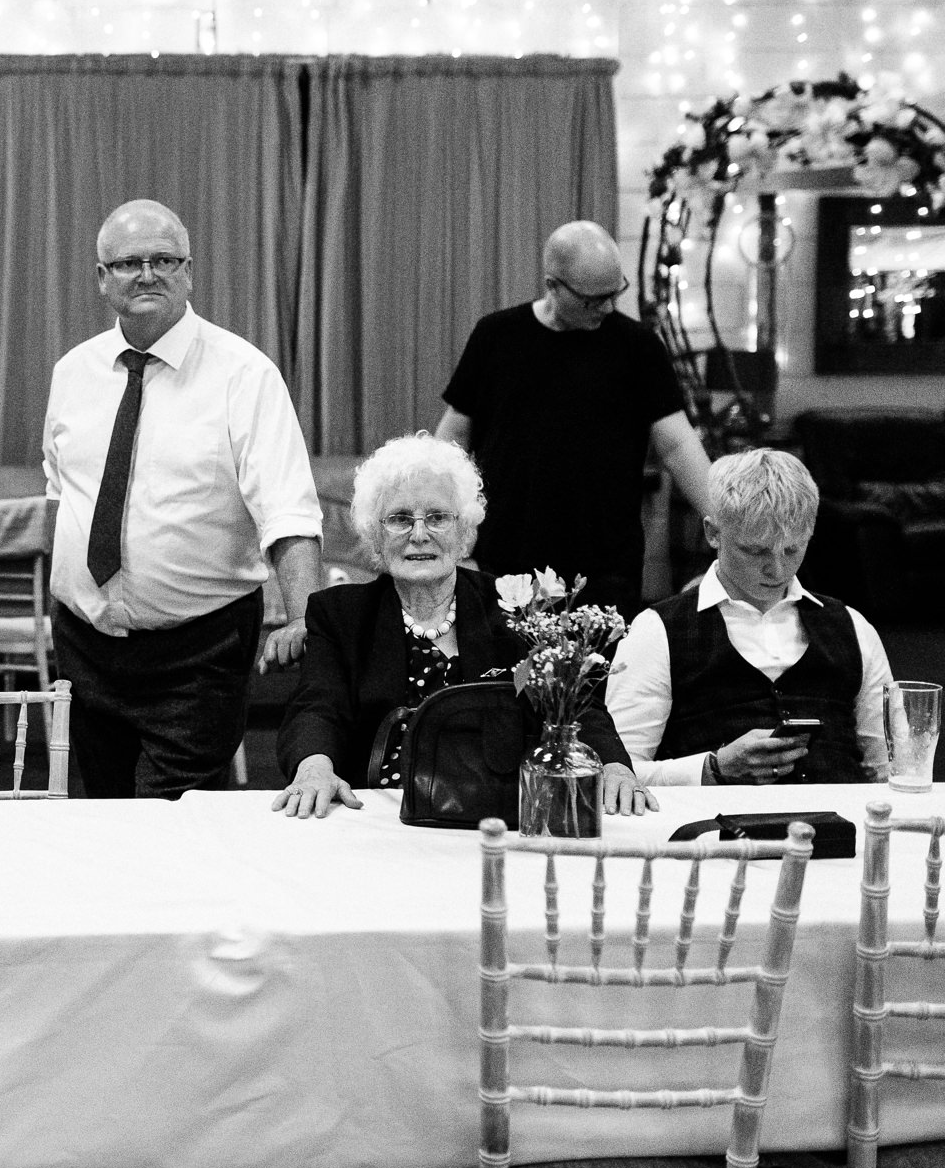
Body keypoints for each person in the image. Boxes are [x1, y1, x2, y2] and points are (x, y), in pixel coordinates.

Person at [42, 199, 323, 801]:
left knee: (182, 821)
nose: (146, 274)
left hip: (199, 653)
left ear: (189, 271)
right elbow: (59, 490)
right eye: (127, 263)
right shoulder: (73, 372)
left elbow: (289, 511)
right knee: (103, 813)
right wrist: (61, 595)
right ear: (101, 278)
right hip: (85, 646)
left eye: (163, 259)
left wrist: (306, 619)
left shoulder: (243, 375)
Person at [273, 434, 651, 818]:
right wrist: (315, 767)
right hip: (375, 816)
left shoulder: (515, 608)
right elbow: (317, 707)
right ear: (375, 535)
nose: (419, 534)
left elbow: (573, 706)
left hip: (496, 812)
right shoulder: (340, 614)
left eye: (437, 517)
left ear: (465, 531)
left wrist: (614, 765)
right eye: (400, 519)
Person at [435, 220, 713, 618]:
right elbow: (451, 444)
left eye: (614, 293)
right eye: (592, 299)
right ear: (553, 285)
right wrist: (453, 544)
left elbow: (678, 445)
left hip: (605, 567)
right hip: (505, 562)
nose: (607, 307)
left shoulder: (638, 348)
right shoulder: (496, 336)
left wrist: (727, 526)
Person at [607, 448, 894, 786]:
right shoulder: (658, 631)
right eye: (755, 550)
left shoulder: (853, 627)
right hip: (717, 832)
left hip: (843, 831)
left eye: (792, 549)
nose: (777, 569)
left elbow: (893, 767)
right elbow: (615, 775)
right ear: (713, 533)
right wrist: (712, 768)